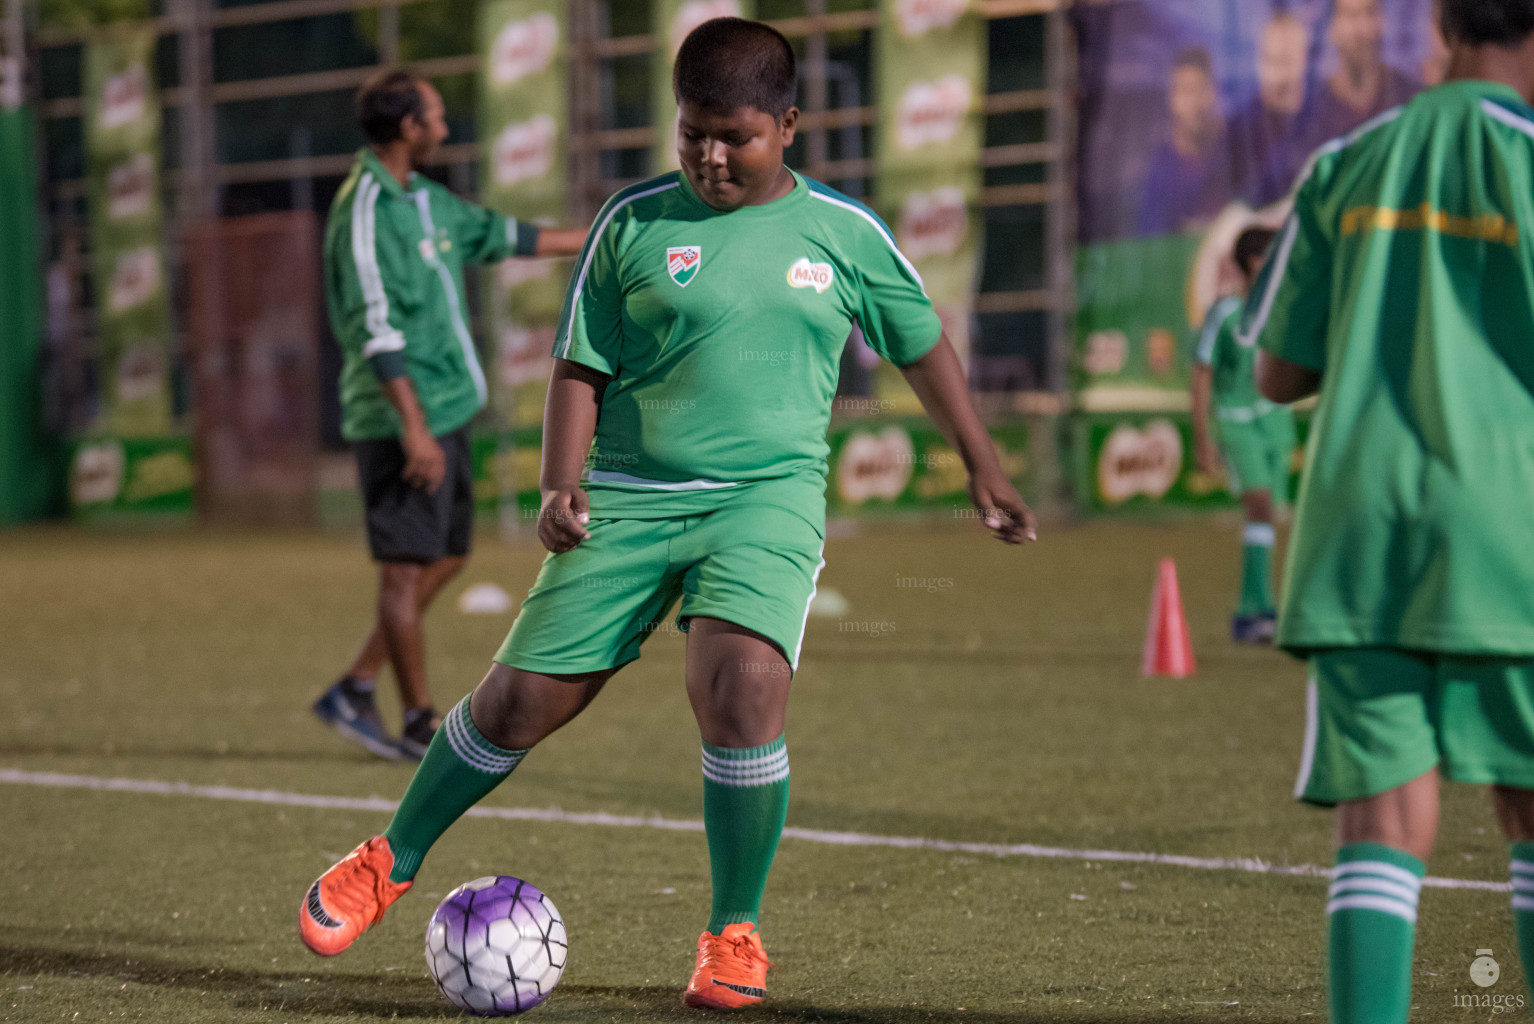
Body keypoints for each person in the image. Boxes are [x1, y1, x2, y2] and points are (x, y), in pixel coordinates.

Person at [297, 17, 1036, 1010]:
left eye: (735, 135)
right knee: (519, 703)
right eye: (693, 133)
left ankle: (732, 933)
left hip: (763, 501)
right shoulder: (633, 222)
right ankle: (391, 857)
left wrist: (981, 463)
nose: (711, 155)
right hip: (632, 497)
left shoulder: (844, 233)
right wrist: (563, 482)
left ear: (789, 124)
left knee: (740, 688)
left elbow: (920, 342)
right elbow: (579, 364)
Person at [1244, 1, 1534, 1019]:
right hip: (1510, 532)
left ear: (1441, 27)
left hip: (1358, 533)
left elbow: (1275, 370)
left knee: (1381, 811)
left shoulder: (1348, 160)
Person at [313, 70, 587, 761]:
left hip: (449, 409)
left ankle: (354, 682)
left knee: (451, 555)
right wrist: (411, 424)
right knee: (404, 573)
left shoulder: (425, 201)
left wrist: (600, 237)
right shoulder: (364, 209)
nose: (443, 125)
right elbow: (373, 327)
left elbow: (502, 234)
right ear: (408, 128)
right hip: (402, 419)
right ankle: (416, 720)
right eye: (434, 115)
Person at [1191, 226, 1290, 644]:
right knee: (1260, 505)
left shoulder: (1283, 309)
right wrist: (1202, 436)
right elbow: (1202, 371)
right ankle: (1257, 610)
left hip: (1275, 423)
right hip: (1235, 420)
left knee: (1270, 516)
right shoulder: (1226, 312)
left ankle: (1256, 611)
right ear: (1254, 262)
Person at [1137, 46, 1235, 236]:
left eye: (1201, 89)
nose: (1194, 102)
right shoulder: (1161, 171)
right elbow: (1151, 239)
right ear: (1172, 99)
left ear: (1213, 92)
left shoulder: (1232, 153)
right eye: (1185, 91)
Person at [1226, 12, 1316, 208]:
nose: (1276, 75)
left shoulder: (1322, 120)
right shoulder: (1239, 130)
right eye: (1269, 60)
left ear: (1304, 60)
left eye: (1285, 61)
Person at [1312, 0, 1419, 141]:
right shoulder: (1314, 114)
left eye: (1371, 12)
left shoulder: (1410, 99)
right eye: (1352, 15)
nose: (1364, 29)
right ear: (1332, 25)